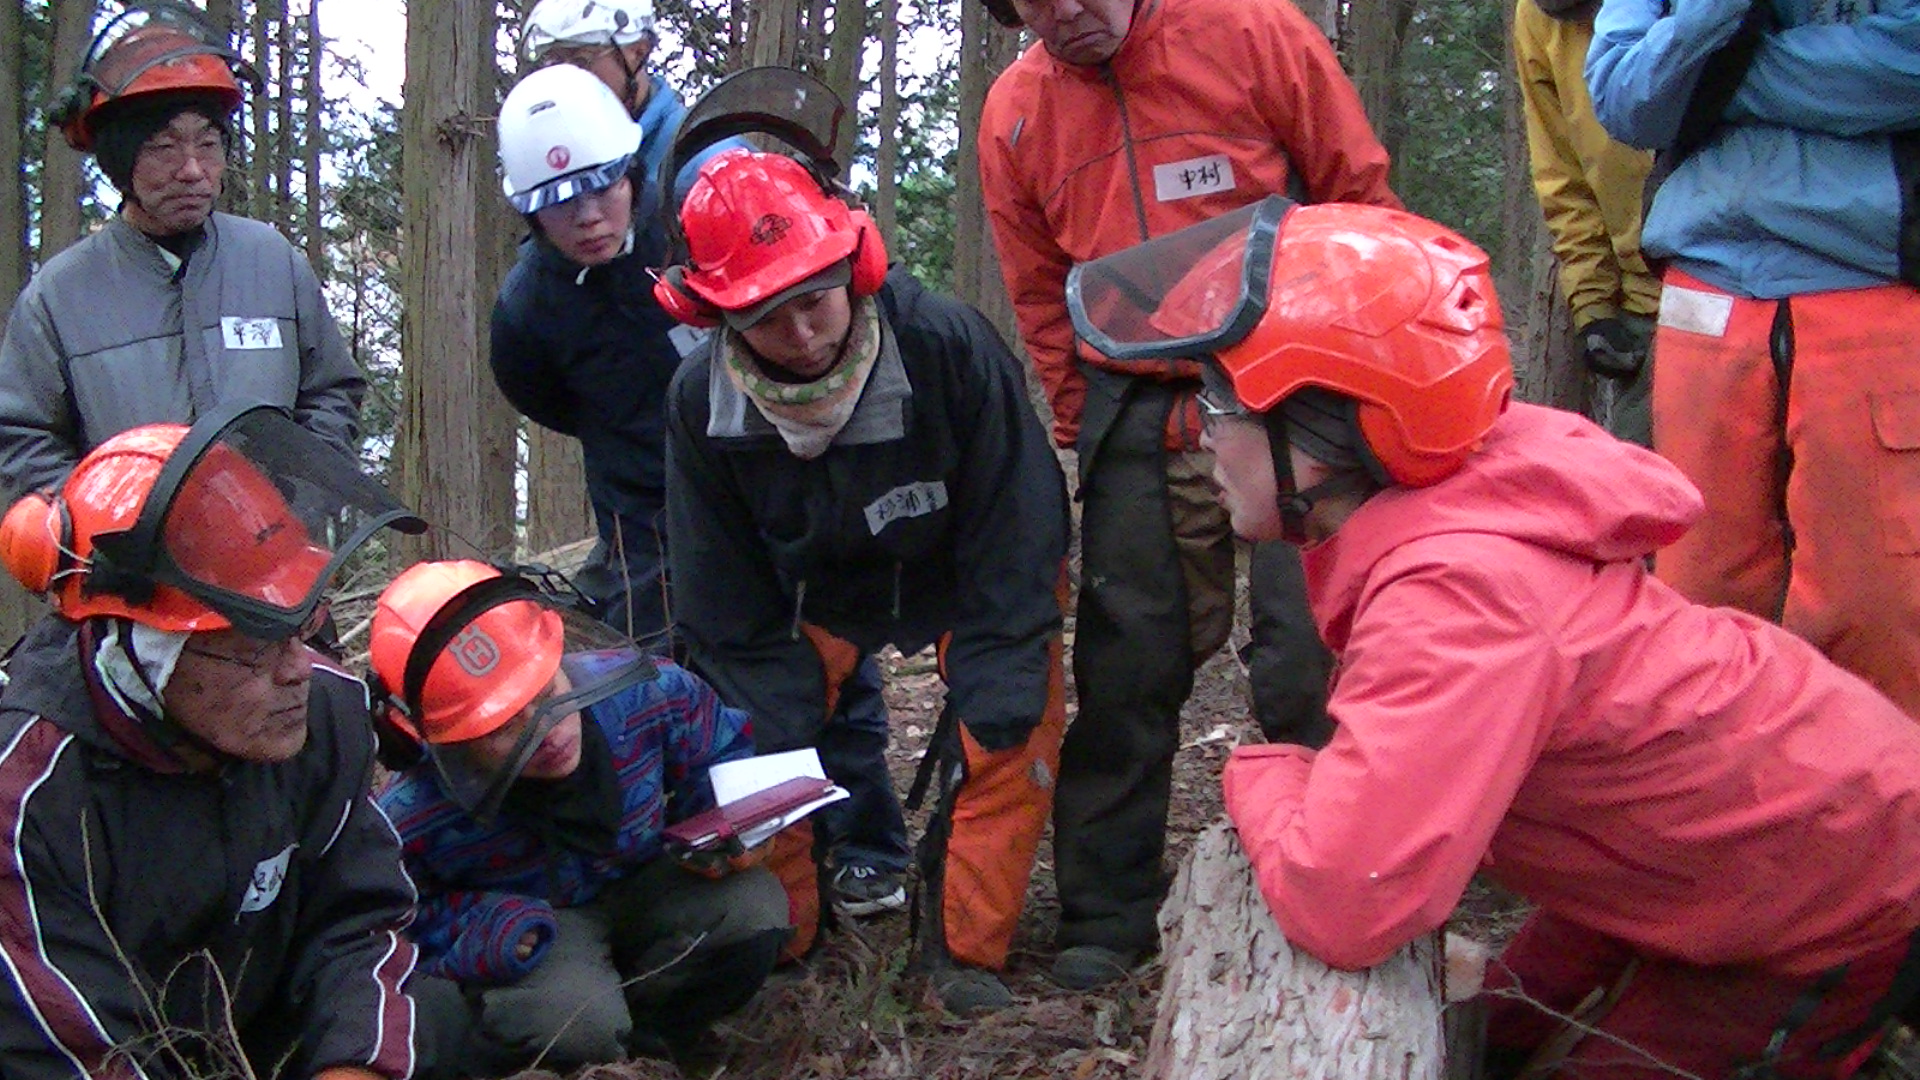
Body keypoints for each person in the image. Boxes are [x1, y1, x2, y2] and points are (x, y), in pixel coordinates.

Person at [1068, 196, 1920, 1078]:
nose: (1201, 433)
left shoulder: (1457, 595)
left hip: (1840, 889)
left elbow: (1346, 901)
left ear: (1318, 437)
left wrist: (1266, 769)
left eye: (1220, 399)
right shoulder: (1458, 507)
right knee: (1500, 1032)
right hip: (1696, 857)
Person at [974, 0, 1401, 990]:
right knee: (1128, 670)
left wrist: (1360, 369)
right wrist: (1085, 419)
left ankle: (1364, 876)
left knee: (1315, 662)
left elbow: (1360, 194)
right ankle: (1109, 910)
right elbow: (1040, 290)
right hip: (1140, 405)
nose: (1068, 13)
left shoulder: (1251, 31)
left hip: (1296, 386)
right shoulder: (1016, 115)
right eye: (1036, 2)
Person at [659, 149, 1071, 1014]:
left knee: (1011, 721)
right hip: (804, 590)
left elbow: (1018, 522)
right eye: (769, 317)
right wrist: (762, 703)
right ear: (718, 316)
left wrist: (1004, 655)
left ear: (856, 265)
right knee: (750, 742)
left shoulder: (946, 345)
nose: (803, 333)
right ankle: (785, 944)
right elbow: (716, 585)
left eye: (813, 300)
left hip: (960, 566)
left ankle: (961, 952)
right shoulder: (700, 401)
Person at [0, 404, 424, 1080]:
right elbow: (75, 1048)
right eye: (252, 648)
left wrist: (355, 1065)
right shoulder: (31, 799)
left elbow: (360, 920)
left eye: (299, 626)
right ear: (145, 652)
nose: (296, 672)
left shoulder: (329, 713)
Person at [1585, 2, 1920, 719]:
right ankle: (1722, 815)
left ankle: (1887, 814)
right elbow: (1622, 96)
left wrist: (1716, 80)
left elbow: (1908, 64)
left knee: (1880, 602)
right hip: (1706, 284)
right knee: (1697, 589)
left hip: (1874, 279)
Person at [373, 559, 789, 1072]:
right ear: (448, 739)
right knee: (572, 1025)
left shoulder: (647, 694)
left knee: (754, 907)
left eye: (547, 694)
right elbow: (391, 919)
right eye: (504, 726)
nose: (546, 731)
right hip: (541, 926)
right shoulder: (413, 814)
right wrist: (488, 928)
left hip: (649, 875)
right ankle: (593, 1052)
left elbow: (717, 748)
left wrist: (728, 821)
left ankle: (661, 1036)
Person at [0, 1, 364, 504]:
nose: (192, 169)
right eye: (163, 148)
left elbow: (331, 394)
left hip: (269, 566)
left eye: (208, 144)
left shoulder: (272, 263)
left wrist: (298, 500)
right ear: (120, 161)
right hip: (126, 572)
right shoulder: (61, 295)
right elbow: (22, 438)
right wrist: (95, 520)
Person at [1512, 0, 1660, 448]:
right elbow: (1561, 174)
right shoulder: (1537, 19)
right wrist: (1594, 306)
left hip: (1725, 274)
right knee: (1653, 491)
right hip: (1641, 302)